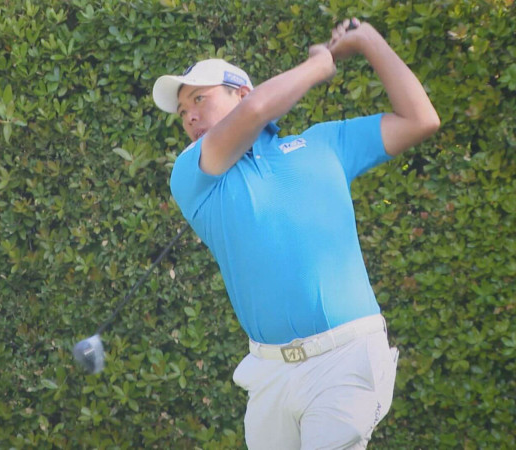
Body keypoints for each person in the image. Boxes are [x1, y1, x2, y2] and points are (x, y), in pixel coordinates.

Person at [151, 18, 439, 449]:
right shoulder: (191, 173)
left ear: (241, 92)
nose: (190, 115)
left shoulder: (324, 143)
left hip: (347, 357)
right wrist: (319, 65)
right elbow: (255, 112)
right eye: (182, 112)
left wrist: (368, 41)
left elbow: (420, 119)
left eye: (199, 99)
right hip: (268, 373)